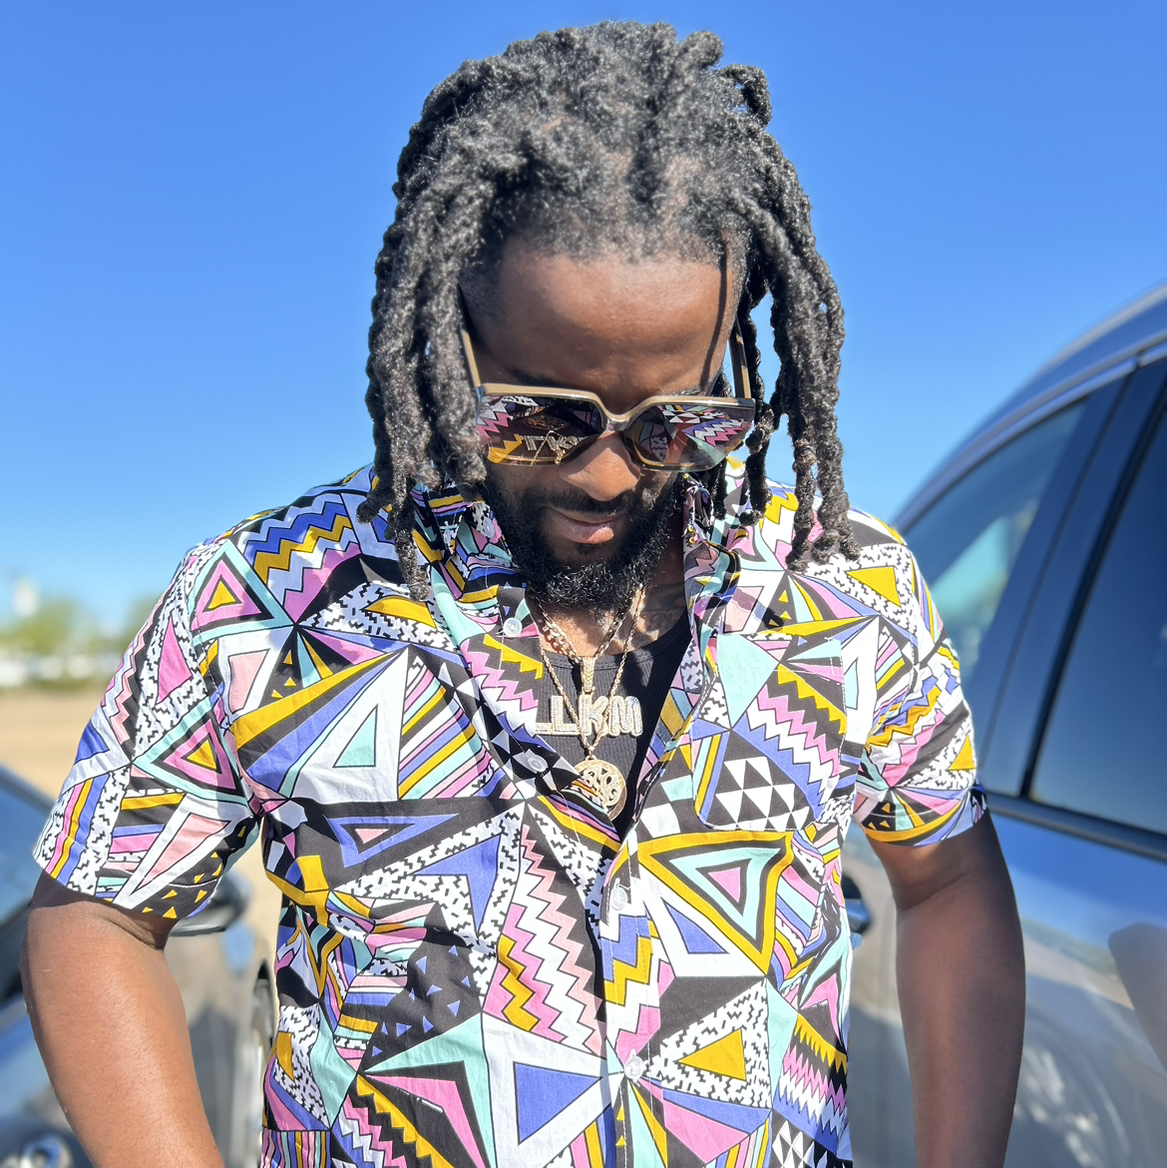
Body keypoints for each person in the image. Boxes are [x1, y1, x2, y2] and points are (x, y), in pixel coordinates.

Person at [21, 22, 1024, 1168]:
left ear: (731, 366)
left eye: (675, 423)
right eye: (541, 416)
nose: (606, 475)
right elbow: (96, 912)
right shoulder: (271, 602)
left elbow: (947, 879)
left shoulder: (841, 592)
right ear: (453, 342)